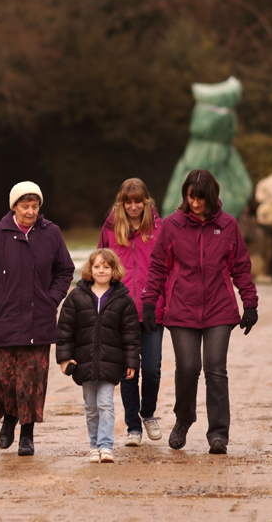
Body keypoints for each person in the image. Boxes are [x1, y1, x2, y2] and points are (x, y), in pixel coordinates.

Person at [142, 169, 258, 455]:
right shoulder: (172, 226)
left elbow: (240, 266)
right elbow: (158, 266)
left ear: (211, 196)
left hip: (219, 309)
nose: (195, 203)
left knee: (216, 369)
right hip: (182, 309)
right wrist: (149, 302)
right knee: (188, 368)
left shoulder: (228, 225)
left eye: (200, 198)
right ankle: (184, 419)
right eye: (191, 197)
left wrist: (250, 302)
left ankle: (218, 434)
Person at [0, 181, 75, 457]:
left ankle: (28, 433)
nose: (30, 211)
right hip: (3, 317)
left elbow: (66, 270)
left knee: (32, 379)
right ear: (13, 207)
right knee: (1, 376)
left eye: (35, 206)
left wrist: (52, 299)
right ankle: (9, 418)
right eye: (25, 206)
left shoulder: (51, 233)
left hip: (39, 319)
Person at [97, 178, 166, 447]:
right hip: (121, 310)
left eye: (139, 201)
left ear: (146, 202)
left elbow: (168, 266)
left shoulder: (159, 229)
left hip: (153, 309)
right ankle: (133, 427)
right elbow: (100, 264)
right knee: (128, 370)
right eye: (129, 202)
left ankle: (148, 413)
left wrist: (164, 300)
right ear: (122, 203)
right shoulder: (111, 228)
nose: (134, 206)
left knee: (152, 369)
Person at [56, 249, 140, 464]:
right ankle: (93, 446)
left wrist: (131, 361)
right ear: (89, 269)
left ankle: (105, 446)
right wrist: (65, 358)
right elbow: (65, 329)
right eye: (97, 266)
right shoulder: (76, 297)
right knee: (91, 407)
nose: (101, 270)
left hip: (111, 362)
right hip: (84, 362)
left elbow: (130, 334)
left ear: (113, 271)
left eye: (106, 267)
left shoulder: (123, 300)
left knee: (105, 404)